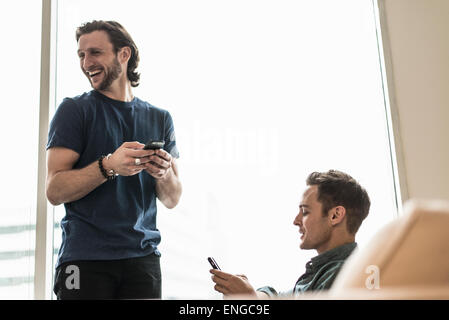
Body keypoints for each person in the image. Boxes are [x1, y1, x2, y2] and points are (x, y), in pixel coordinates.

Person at [46, 20, 182, 299]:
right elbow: (54, 190)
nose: (86, 63)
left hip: (143, 261)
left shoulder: (160, 118)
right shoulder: (73, 111)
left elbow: (171, 199)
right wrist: (108, 166)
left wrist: (163, 173)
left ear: (124, 54)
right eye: (81, 55)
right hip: (84, 260)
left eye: (95, 53)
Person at [210, 170, 370, 298]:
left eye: (305, 212)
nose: (296, 220)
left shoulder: (343, 277)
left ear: (335, 215)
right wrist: (252, 296)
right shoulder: (323, 272)